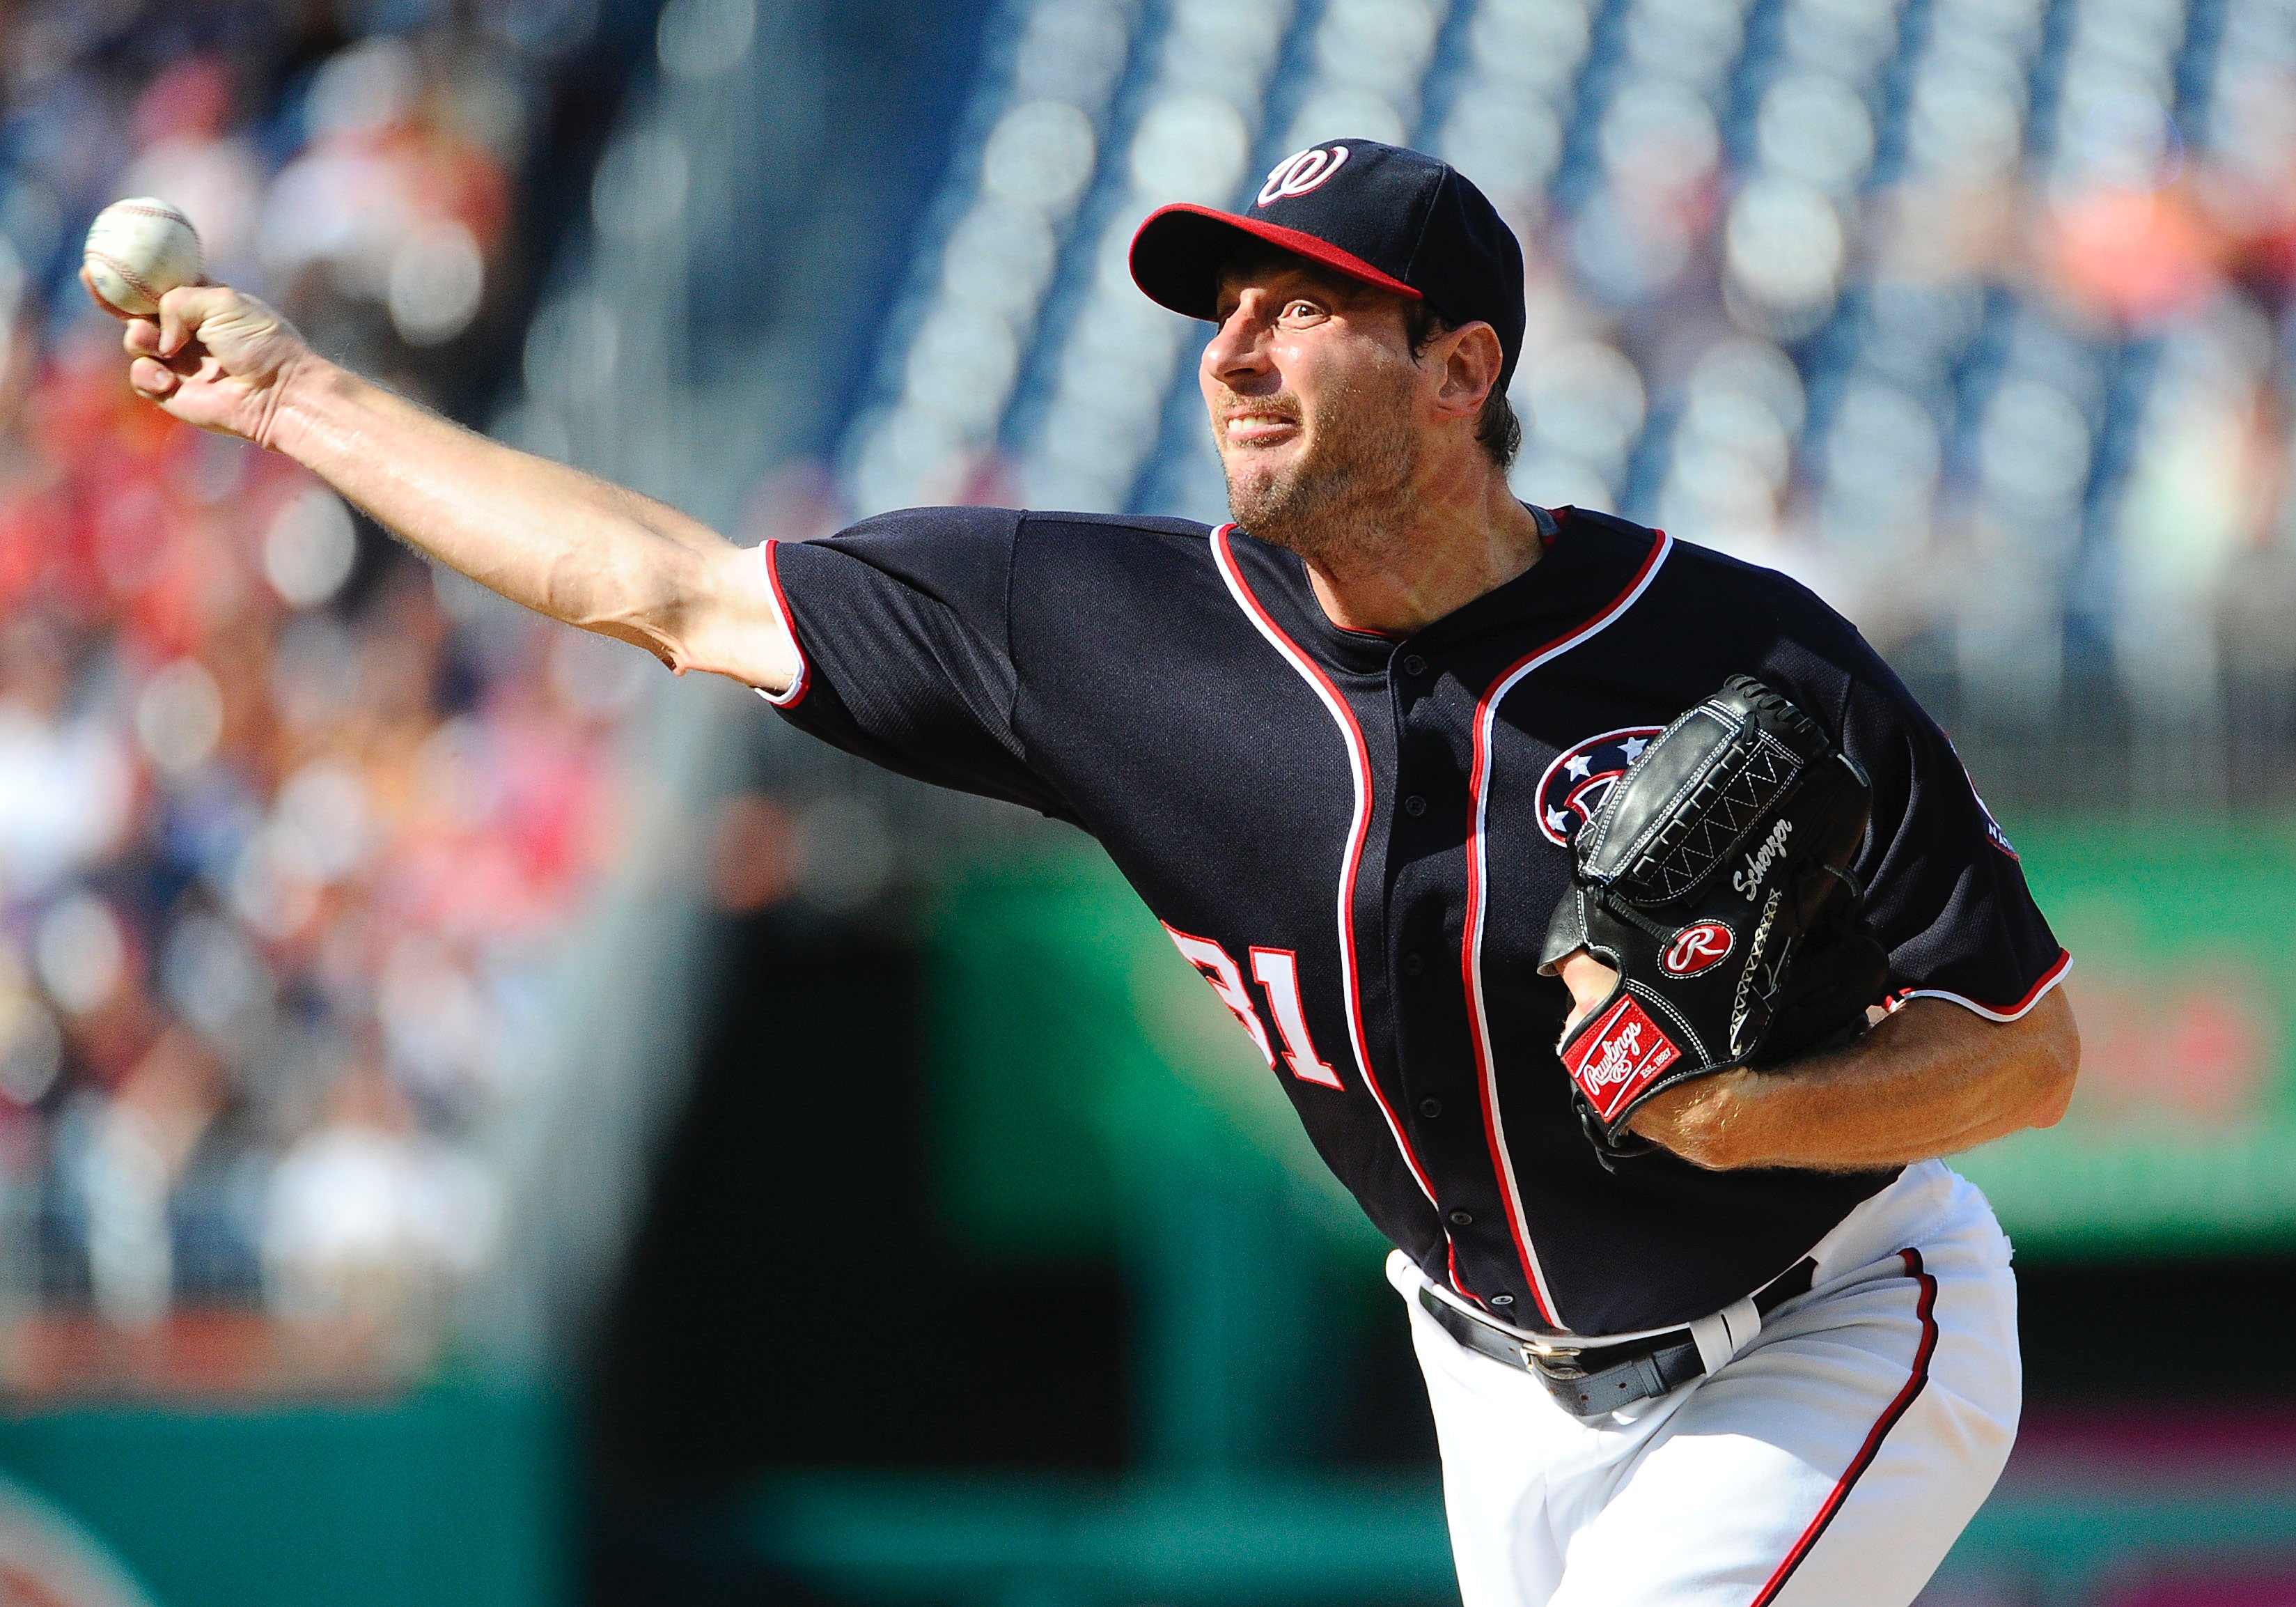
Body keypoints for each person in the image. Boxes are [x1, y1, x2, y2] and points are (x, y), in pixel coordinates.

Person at [100, 139, 2078, 1607]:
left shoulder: (1736, 647)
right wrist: (292, 398)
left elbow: (2024, 1048)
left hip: (1832, 1317)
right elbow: (671, 590)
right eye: (1217, 308)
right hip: (1491, 1379)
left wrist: (1750, 1118)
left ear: (1458, 368)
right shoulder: (1098, 633)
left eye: (1298, 305)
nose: (1233, 348)